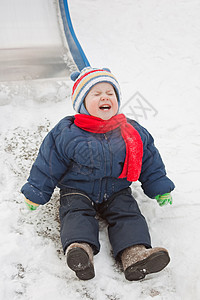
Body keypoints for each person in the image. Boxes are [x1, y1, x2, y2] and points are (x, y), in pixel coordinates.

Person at [21, 67, 175, 281]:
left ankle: (134, 254)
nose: (105, 97)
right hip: (77, 189)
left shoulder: (131, 130)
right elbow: (48, 163)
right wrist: (36, 191)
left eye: (110, 93)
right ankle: (80, 251)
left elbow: (149, 159)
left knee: (128, 214)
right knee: (75, 213)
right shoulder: (66, 132)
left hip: (117, 189)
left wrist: (159, 187)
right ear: (82, 103)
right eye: (96, 93)